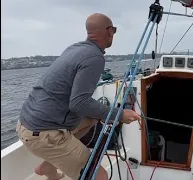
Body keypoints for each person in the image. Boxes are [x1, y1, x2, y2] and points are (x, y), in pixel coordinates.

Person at [16, 13, 141, 180]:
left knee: (93, 119)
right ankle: (54, 156)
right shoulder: (94, 57)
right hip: (44, 135)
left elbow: (79, 103)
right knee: (99, 176)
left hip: (26, 124)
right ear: (109, 31)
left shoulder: (76, 48)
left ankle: (47, 166)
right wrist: (119, 115)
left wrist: (105, 114)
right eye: (114, 30)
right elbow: (79, 103)